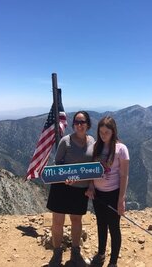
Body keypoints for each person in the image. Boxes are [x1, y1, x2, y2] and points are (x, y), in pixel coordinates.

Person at [47, 110, 95, 267]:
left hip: (80, 189)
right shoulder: (65, 141)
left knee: (76, 220)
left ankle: (75, 253)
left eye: (82, 122)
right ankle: (57, 253)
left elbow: (93, 167)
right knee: (58, 220)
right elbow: (58, 162)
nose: (79, 125)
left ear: (88, 124)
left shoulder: (92, 142)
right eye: (77, 122)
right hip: (62, 187)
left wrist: (91, 185)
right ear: (73, 124)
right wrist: (64, 177)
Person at [86, 116, 129, 267]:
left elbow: (124, 175)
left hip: (113, 193)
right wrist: (91, 187)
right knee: (101, 224)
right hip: (98, 194)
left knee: (114, 227)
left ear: (113, 132)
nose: (103, 135)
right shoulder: (95, 146)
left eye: (107, 132)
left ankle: (113, 262)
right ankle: (101, 253)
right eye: (101, 132)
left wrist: (121, 199)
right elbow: (91, 170)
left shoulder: (121, 149)